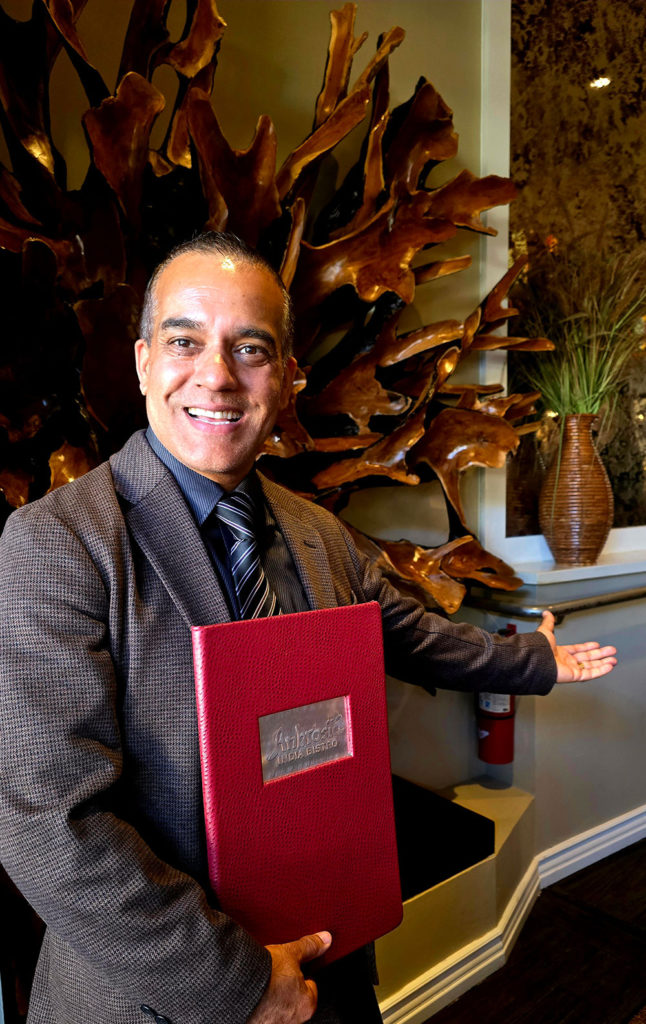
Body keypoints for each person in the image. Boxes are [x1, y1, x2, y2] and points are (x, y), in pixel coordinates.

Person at [0, 232, 617, 1024]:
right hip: (161, 999)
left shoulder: (313, 530)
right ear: (145, 360)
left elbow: (410, 632)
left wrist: (534, 660)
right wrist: (243, 984)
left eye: (249, 348)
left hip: (332, 961)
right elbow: (52, 827)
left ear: (285, 380)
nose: (216, 376)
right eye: (186, 341)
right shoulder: (59, 542)